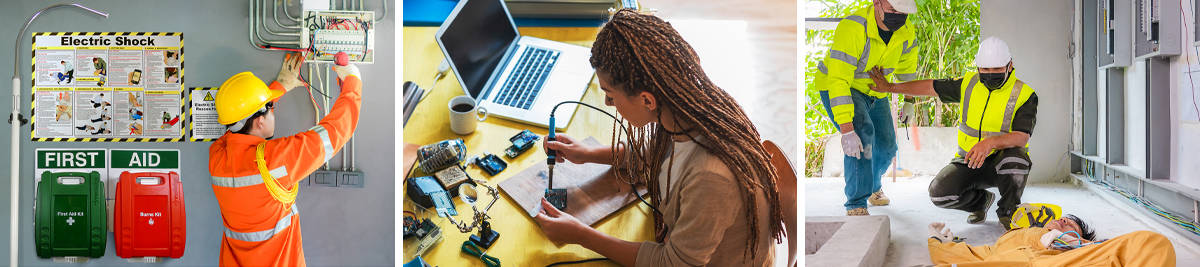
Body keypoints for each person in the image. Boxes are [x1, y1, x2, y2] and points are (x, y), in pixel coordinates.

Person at [532, 9, 784, 266]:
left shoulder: (710, 176)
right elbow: (657, 153)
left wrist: (580, 234)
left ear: (646, 100)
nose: (607, 102)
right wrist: (588, 154)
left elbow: (672, 263)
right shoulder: (683, 109)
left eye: (610, 94)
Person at [208, 53, 361, 266]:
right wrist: (353, 81)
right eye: (270, 108)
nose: (274, 111)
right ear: (260, 121)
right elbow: (336, 132)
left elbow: (236, 126)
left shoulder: (217, 156)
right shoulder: (275, 161)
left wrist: (279, 87)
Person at [868, 37, 1037, 228]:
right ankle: (981, 203)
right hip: (969, 161)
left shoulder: (1024, 94)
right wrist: (890, 87)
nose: (990, 74)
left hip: (1002, 161)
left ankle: (1009, 212)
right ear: (978, 67)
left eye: (997, 69)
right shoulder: (969, 84)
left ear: (1010, 65)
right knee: (939, 193)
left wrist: (989, 143)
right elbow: (930, 87)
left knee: (1017, 160)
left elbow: (1022, 137)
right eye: (985, 69)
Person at [814, 0, 920, 216]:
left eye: (903, 12)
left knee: (888, 147)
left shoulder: (906, 32)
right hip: (841, 87)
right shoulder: (853, 27)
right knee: (861, 135)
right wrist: (847, 129)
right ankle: (856, 203)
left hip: (875, 90)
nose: (898, 16)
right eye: (892, 10)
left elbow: (907, 70)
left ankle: (872, 186)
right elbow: (838, 80)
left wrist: (910, 101)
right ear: (877, 3)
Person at [926, 215, 1176, 266]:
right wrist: (941, 242)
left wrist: (1073, 244)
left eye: (1070, 225)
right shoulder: (1008, 240)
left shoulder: (1085, 250)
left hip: (1068, 261)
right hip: (1017, 263)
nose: (1062, 222)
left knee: (1153, 243)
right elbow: (965, 257)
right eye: (1062, 220)